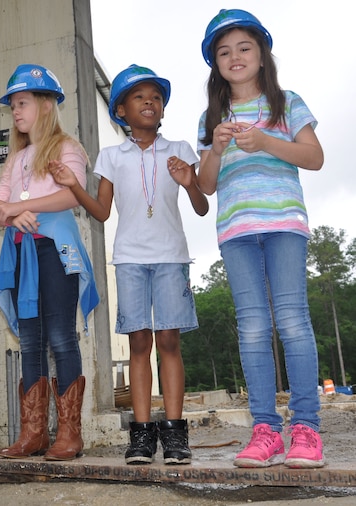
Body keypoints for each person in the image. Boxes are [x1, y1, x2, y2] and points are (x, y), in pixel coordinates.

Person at [51, 64, 209, 465]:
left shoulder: (180, 150)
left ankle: (174, 434)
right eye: (140, 97)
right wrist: (73, 186)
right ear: (120, 109)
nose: (150, 102)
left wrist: (189, 181)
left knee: (169, 342)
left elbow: (202, 207)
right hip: (130, 259)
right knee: (139, 344)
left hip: (171, 256)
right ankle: (141, 436)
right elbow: (101, 212)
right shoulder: (111, 156)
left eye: (155, 96)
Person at [197, 9, 325, 469]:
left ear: (262, 54)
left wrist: (266, 141)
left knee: (292, 320)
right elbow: (206, 184)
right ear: (215, 63)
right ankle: (265, 430)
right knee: (252, 327)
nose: (235, 57)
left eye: (244, 47)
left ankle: (307, 429)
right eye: (224, 51)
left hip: (285, 225)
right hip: (236, 233)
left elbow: (314, 158)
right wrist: (216, 147)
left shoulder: (286, 102)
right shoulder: (211, 117)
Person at [0, 64, 99, 462]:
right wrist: (12, 214)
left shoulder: (67, 147)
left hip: (55, 250)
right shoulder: (15, 157)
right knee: (31, 340)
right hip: (20, 252)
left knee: (61, 336)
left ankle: (69, 434)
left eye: (22, 103)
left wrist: (20, 206)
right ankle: (32, 434)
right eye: (13, 105)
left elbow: (72, 196)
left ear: (47, 105)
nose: (15, 111)